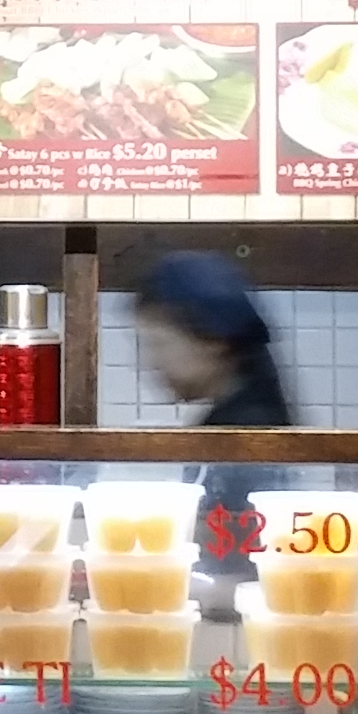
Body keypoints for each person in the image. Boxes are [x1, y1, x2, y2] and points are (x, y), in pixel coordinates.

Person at [133, 251, 296, 599]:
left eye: (159, 343)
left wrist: (157, 587)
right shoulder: (236, 415)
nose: (151, 362)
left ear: (213, 340)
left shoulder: (247, 435)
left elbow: (244, 577)